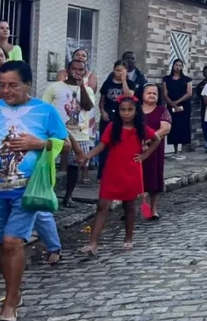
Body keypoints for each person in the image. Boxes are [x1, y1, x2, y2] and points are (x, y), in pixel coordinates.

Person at [0, 61, 68, 321]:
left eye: (13, 85)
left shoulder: (45, 111)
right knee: (2, 244)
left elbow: (65, 143)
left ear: (28, 85)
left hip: (26, 189)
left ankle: (10, 302)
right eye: (2, 85)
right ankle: (13, 291)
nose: (6, 91)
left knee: (13, 242)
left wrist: (40, 143)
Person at [81, 94, 159, 254]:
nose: (126, 113)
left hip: (131, 171)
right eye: (123, 110)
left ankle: (128, 239)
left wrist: (145, 155)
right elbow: (102, 145)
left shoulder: (140, 128)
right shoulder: (112, 127)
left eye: (130, 109)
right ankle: (93, 243)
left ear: (136, 111)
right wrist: (87, 156)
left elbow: (156, 139)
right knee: (102, 206)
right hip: (112, 171)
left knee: (129, 205)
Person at [42, 58, 95, 206]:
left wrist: (81, 86)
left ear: (84, 72)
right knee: (50, 163)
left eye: (80, 70)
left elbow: (87, 106)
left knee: (76, 165)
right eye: (74, 69)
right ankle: (47, 193)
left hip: (80, 133)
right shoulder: (54, 87)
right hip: (56, 132)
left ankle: (68, 196)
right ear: (67, 70)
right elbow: (45, 108)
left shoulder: (88, 90)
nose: (76, 72)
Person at [140, 84, 172, 219]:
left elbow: (165, 129)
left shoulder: (162, 111)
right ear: (142, 94)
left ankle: (153, 210)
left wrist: (148, 140)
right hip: (135, 147)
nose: (151, 95)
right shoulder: (135, 110)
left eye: (154, 93)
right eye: (149, 93)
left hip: (155, 148)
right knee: (134, 178)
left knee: (154, 178)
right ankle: (130, 210)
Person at [162, 59, 192, 157]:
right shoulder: (166, 79)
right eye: (176, 65)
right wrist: (172, 103)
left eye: (180, 65)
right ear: (173, 66)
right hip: (171, 105)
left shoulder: (187, 79)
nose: (178, 67)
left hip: (184, 106)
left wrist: (177, 102)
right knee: (173, 126)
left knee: (183, 126)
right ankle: (175, 150)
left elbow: (189, 93)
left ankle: (182, 150)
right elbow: (165, 94)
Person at [194, 65, 207, 147]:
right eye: (206, 73)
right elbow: (199, 96)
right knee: (205, 126)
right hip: (205, 108)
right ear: (203, 74)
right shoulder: (201, 85)